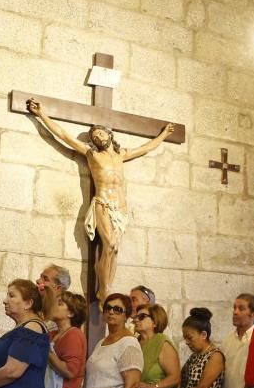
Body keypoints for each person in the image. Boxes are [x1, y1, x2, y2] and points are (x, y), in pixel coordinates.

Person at [28, 98, 176, 303]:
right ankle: (104, 290)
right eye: (94, 136)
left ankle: (106, 287)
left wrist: (164, 134)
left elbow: (146, 148)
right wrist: (41, 114)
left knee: (114, 250)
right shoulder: (92, 154)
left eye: (100, 133)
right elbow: (62, 135)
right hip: (102, 204)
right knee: (110, 244)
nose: (98, 136)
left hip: (120, 209)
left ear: (109, 134)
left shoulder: (121, 154)